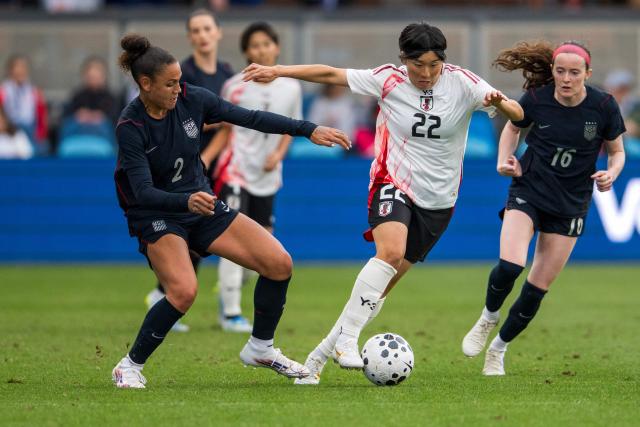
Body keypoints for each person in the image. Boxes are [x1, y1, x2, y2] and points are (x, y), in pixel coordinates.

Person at [243, 22, 524, 385]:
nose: (425, 74)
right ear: (403, 60)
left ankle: (316, 359)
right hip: (392, 181)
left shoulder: (465, 83)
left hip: (439, 200)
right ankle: (347, 340)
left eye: (433, 65)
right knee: (388, 254)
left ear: (443, 61)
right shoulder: (387, 78)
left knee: (377, 291)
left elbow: (519, 115)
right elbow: (330, 73)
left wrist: (502, 104)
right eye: (416, 65)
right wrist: (278, 70)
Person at [110, 34, 350, 389]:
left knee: (279, 263)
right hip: (155, 214)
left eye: (179, 81)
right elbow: (143, 192)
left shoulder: (193, 99)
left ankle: (261, 348)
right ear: (145, 84)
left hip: (201, 204)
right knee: (183, 292)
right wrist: (185, 201)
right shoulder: (131, 127)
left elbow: (251, 117)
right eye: (170, 84)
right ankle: (129, 366)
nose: (179, 89)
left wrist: (308, 129)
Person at [461, 40, 625, 376]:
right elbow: (512, 127)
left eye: (574, 73)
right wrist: (504, 160)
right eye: (560, 71)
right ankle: (487, 317)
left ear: (587, 74)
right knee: (510, 265)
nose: (566, 78)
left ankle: (499, 348)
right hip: (529, 190)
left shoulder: (604, 106)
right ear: (552, 71)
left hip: (570, 204)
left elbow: (617, 151)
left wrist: (611, 173)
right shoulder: (536, 99)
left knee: (536, 290)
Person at [196, 22, 303, 333]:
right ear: (246, 53)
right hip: (236, 171)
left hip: (268, 176)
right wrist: (207, 158)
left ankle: (228, 291)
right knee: (233, 240)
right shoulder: (235, 86)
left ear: (277, 47)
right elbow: (226, 128)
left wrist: (278, 155)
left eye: (266, 44)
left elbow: (291, 126)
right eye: (254, 46)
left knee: (261, 251)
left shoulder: (291, 86)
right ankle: (230, 311)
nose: (261, 50)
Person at [144, 8, 235, 333]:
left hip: (218, 162)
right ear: (189, 37)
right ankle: (170, 294)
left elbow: (228, 122)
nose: (202, 35)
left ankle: (223, 301)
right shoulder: (182, 75)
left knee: (225, 233)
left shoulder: (227, 74)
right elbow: (184, 123)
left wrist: (211, 155)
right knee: (192, 232)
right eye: (195, 30)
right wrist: (204, 157)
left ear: (218, 32)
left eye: (207, 28)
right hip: (185, 167)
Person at [0, 55, 48, 153]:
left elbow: (42, 118)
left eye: (23, 67)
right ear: (10, 70)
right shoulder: (3, 90)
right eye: (17, 67)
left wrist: (40, 135)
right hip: (8, 130)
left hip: (29, 129)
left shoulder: (34, 92)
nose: (20, 71)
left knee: (41, 147)